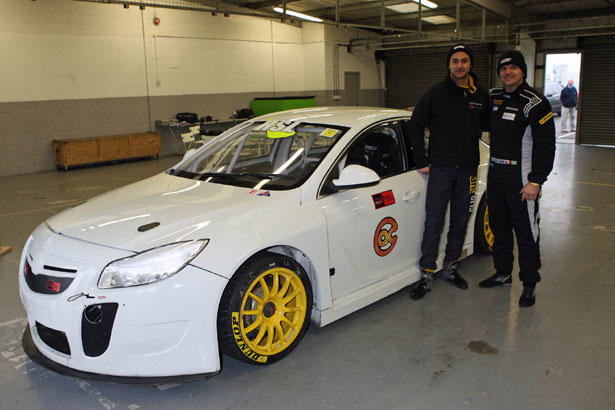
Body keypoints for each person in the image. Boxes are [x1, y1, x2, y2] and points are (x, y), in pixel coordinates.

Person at [405, 44, 490, 300]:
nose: (459, 65)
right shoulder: (436, 94)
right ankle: (427, 272)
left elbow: (487, 125)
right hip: (441, 169)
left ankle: (451, 266)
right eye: (455, 61)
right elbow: (414, 126)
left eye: (464, 61)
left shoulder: (480, 96)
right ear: (449, 65)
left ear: (470, 65)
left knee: (461, 221)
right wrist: (421, 159)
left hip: (468, 170)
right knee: (433, 222)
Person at [478, 50, 556, 308]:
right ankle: (503, 273)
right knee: (499, 228)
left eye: (513, 68)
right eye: (503, 69)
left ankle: (530, 283)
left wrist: (536, 180)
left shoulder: (534, 103)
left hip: (522, 178)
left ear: (522, 71)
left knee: (526, 232)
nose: (508, 72)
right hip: (496, 174)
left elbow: (546, 146)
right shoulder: (493, 97)